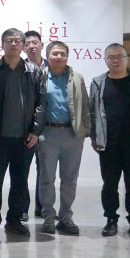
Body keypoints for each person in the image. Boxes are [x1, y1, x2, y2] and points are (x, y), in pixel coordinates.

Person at [0, 28, 45, 238]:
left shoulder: (34, 71)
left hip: (24, 138)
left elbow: (41, 103)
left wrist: (35, 130)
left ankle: (15, 220)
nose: (14, 44)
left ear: (23, 45)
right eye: (9, 40)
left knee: (20, 181)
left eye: (18, 40)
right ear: (2, 45)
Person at [90, 43, 130, 240]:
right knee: (109, 185)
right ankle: (111, 220)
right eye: (111, 57)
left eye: (120, 56)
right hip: (108, 143)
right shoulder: (98, 83)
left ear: (127, 59)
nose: (116, 60)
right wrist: (93, 136)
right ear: (105, 60)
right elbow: (91, 111)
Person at [37, 41, 89, 236]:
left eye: (62, 54)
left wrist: (86, 131)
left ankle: (66, 216)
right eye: (54, 54)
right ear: (47, 56)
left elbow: (85, 105)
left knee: (70, 179)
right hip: (47, 134)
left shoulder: (77, 78)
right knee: (47, 178)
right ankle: (48, 217)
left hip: (72, 135)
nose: (58, 57)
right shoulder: (40, 77)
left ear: (67, 57)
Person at [24, 30, 46, 219]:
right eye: (27, 43)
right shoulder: (20, 68)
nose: (32, 46)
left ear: (41, 45)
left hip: (47, 128)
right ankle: (22, 209)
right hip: (25, 129)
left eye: (35, 42)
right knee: (22, 171)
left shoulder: (53, 68)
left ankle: (42, 207)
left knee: (44, 170)